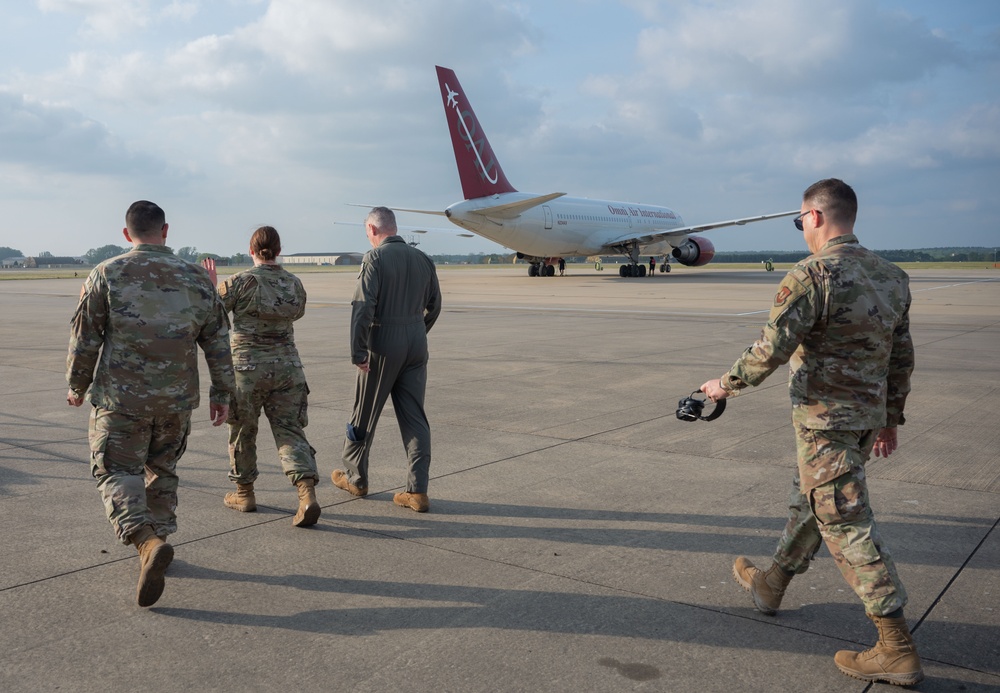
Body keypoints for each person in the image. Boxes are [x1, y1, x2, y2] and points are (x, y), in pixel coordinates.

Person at [699, 179, 921, 686]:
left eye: (800, 221)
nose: (802, 230)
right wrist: (889, 417)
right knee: (817, 502)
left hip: (825, 423)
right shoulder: (892, 277)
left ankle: (896, 645)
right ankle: (771, 585)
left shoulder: (812, 275)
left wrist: (723, 385)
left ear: (815, 217)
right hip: (864, 420)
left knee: (845, 523)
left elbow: (771, 349)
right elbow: (902, 357)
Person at [66, 200, 234, 607]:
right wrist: (222, 393)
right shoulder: (196, 278)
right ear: (166, 230)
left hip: (120, 399)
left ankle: (145, 540)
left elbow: (86, 336)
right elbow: (217, 340)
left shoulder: (107, 273)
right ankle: (160, 540)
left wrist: (77, 383)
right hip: (175, 400)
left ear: (127, 234)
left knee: (115, 471)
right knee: (162, 469)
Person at [203, 226, 320, 528]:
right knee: (290, 432)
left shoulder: (238, 283)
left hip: (246, 371)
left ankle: (244, 493)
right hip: (287, 369)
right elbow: (297, 313)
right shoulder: (294, 284)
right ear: (278, 250)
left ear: (251, 250)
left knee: (243, 432)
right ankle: (306, 494)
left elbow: (210, 316)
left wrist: (210, 286)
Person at [330, 207, 441, 512]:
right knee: (415, 417)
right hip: (416, 344)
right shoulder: (423, 259)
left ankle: (355, 477)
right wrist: (417, 331)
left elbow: (363, 307)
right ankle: (417, 491)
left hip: (382, 344)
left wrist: (358, 350)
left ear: (373, 228)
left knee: (363, 413)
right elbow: (435, 305)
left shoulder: (374, 258)